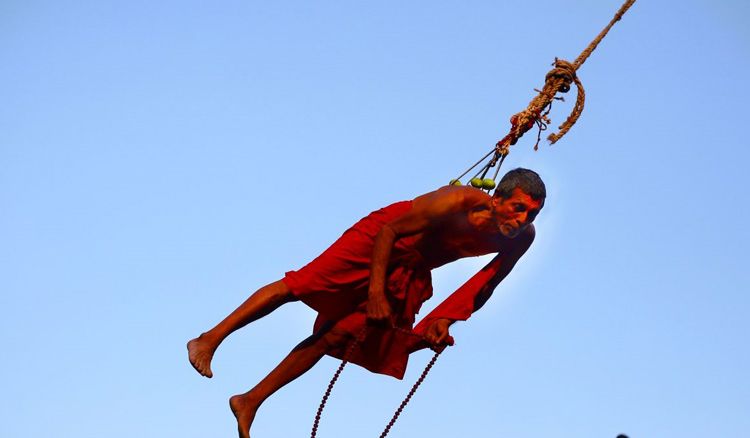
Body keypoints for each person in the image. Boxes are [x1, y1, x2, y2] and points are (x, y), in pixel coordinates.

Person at [188, 168, 546, 438]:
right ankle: (210, 338)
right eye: (517, 208)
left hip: (413, 267)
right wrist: (375, 293)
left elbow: (487, 283)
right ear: (496, 199)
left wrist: (447, 319)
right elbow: (390, 231)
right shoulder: (454, 202)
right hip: (382, 238)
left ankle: (249, 400)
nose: (522, 220)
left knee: (336, 337)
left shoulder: (520, 238)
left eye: (531, 214)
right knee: (299, 286)